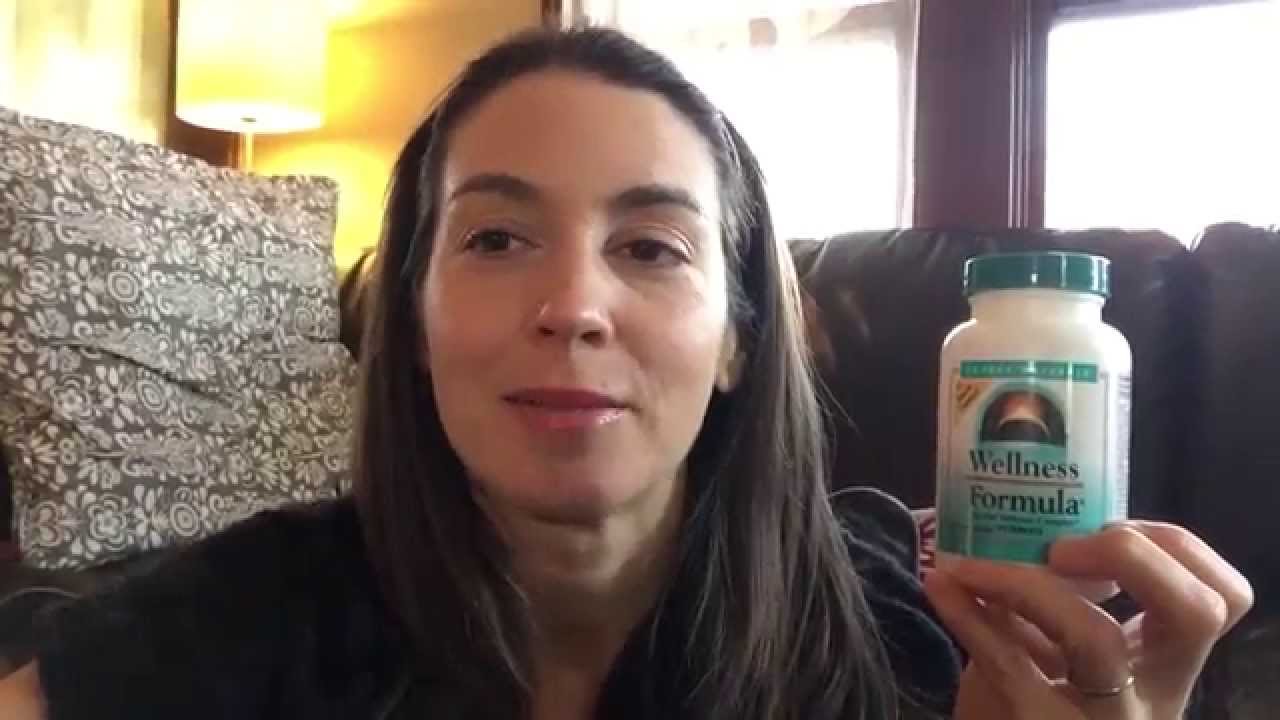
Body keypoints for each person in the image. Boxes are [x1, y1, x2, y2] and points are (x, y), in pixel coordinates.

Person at [0, 26, 1252, 720]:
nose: (573, 307)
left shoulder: (909, 644)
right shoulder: (243, 616)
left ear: (738, 337)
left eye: (649, 247)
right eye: (496, 239)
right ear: (412, 312)